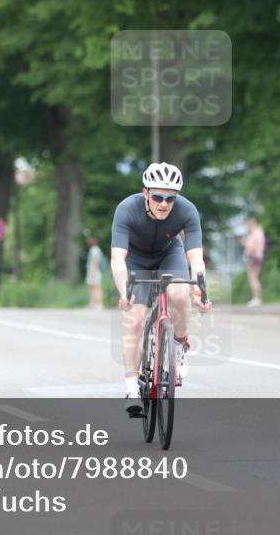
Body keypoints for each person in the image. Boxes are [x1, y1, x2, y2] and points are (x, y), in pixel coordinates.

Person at [111, 162, 212, 416]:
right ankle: (132, 387)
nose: (164, 204)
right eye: (157, 196)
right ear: (145, 193)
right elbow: (117, 258)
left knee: (180, 294)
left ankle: (179, 347)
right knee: (134, 319)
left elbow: (196, 258)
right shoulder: (126, 209)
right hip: (135, 259)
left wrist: (201, 290)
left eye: (170, 198)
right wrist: (124, 291)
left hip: (170, 254)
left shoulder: (188, 211)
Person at [241, 217, 265, 306]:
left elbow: (254, 248)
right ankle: (257, 299)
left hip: (253, 258)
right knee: (254, 278)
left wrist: (245, 243)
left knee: (253, 279)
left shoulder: (256, 234)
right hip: (256, 258)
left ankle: (256, 299)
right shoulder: (258, 232)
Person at [85, 237, 105, 309]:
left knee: (97, 288)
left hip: (95, 272)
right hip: (95, 272)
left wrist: (92, 273)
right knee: (93, 288)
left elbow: (95, 261)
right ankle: (93, 303)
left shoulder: (94, 250)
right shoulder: (96, 249)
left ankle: (99, 304)